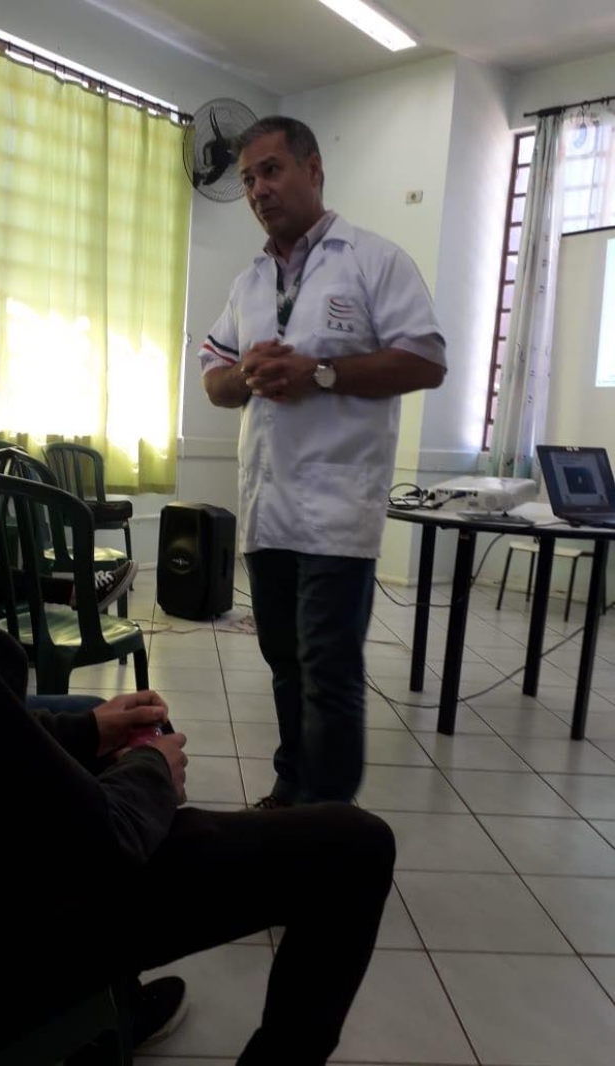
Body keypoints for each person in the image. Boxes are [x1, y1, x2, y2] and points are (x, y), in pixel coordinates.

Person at [0, 187, 395, 1066]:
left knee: (101, 725)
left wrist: (86, 732)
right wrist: (151, 772)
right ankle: (91, 995)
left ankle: (117, 1000)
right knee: (353, 846)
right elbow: (97, 843)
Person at [200, 116, 447, 808]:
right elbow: (214, 377)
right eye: (248, 178)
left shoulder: (373, 260)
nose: (258, 189)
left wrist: (321, 373)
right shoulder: (250, 283)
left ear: (313, 170)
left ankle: (329, 829)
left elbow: (426, 360)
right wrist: (244, 375)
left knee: (328, 672)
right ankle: (291, 790)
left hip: (338, 512)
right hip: (267, 508)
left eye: (271, 170)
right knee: (284, 664)